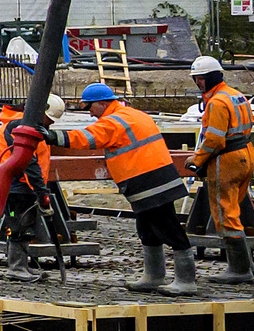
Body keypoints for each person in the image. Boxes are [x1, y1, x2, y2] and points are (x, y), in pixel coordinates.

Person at [63, 82, 198, 295]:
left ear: (102, 103)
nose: (90, 113)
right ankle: (153, 277)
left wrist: (51, 136)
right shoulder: (134, 115)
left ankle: (186, 280)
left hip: (148, 180)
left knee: (168, 228)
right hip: (155, 177)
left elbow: (84, 139)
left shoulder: (113, 122)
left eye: (90, 107)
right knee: (147, 229)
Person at [191, 55, 254, 281]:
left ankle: (239, 270)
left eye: (201, 78)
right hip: (246, 154)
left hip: (227, 159)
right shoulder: (236, 95)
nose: (198, 83)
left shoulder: (217, 103)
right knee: (234, 210)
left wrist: (197, 160)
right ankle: (248, 265)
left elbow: (214, 140)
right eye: (196, 79)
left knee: (225, 213)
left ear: (212, 77)